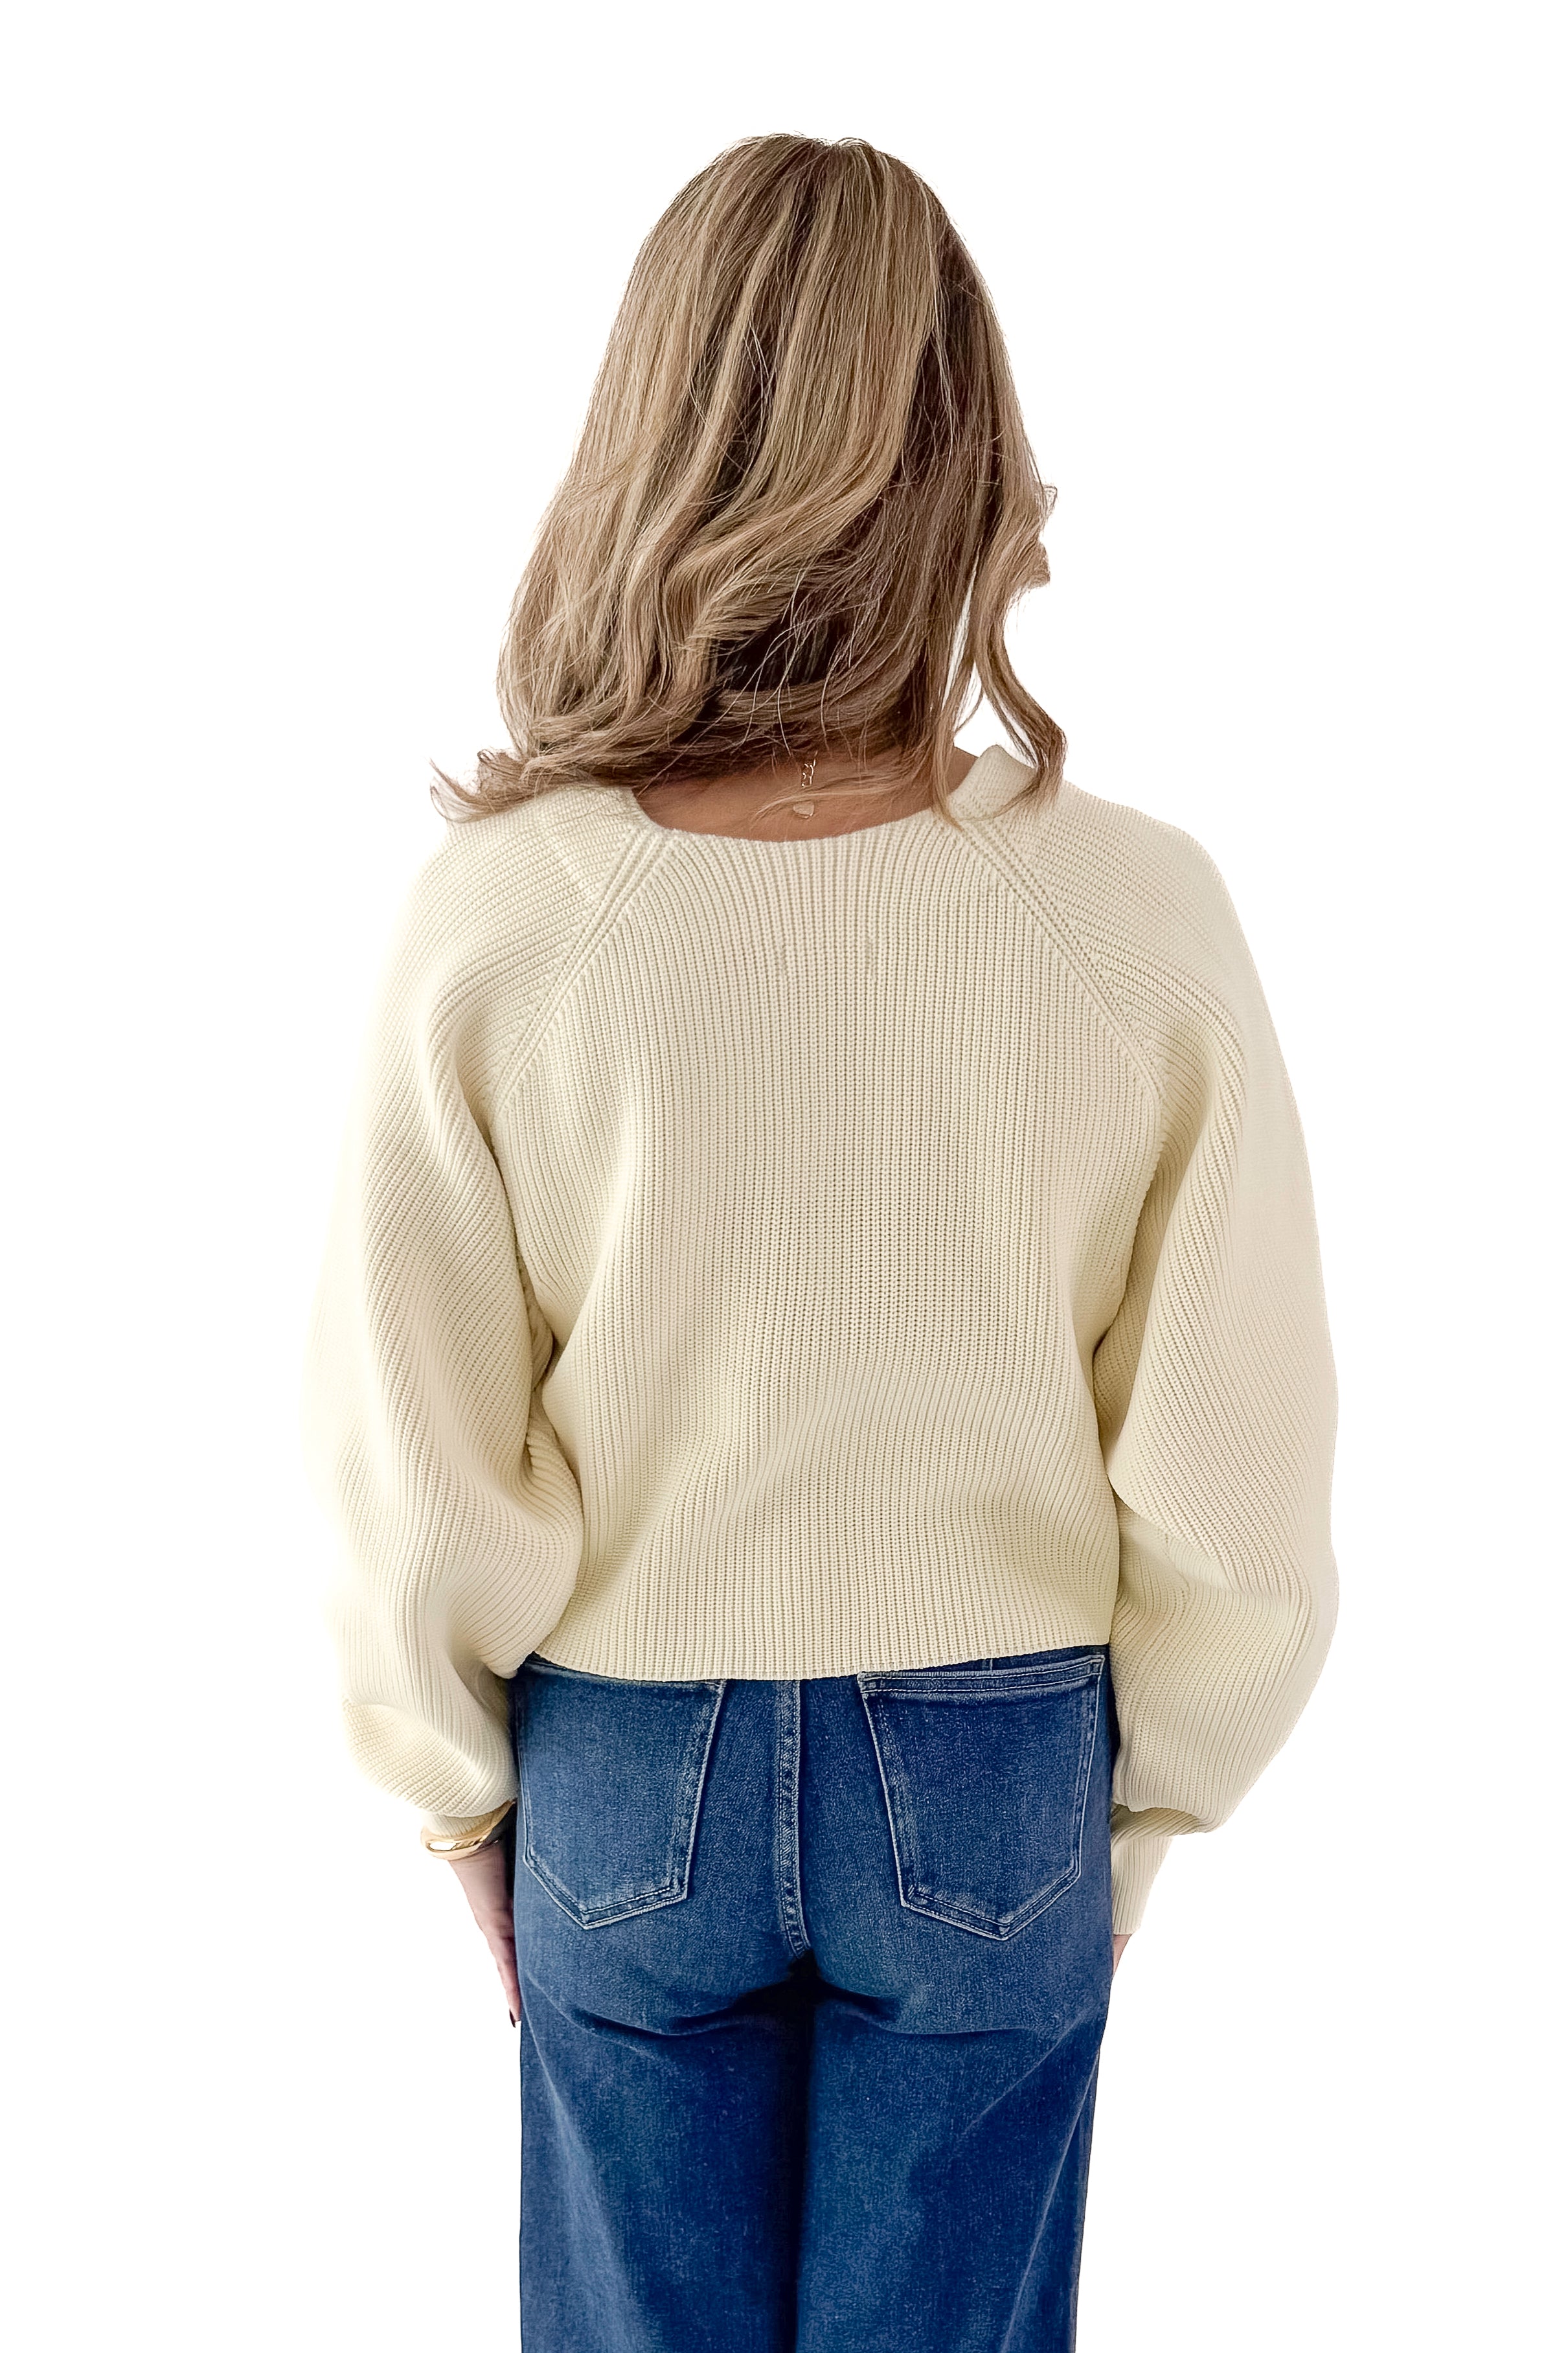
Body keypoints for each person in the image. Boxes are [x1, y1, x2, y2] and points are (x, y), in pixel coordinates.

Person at [302, 132, 1337, 2353]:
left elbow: (406, 1453)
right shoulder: (1131, 911)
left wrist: (458, 1802)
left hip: (622, 1775)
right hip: (998, 1765)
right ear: (972, 456)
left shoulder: (504, 922)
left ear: (646, 448)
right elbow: (1238, 1471)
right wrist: (1137, 1814)